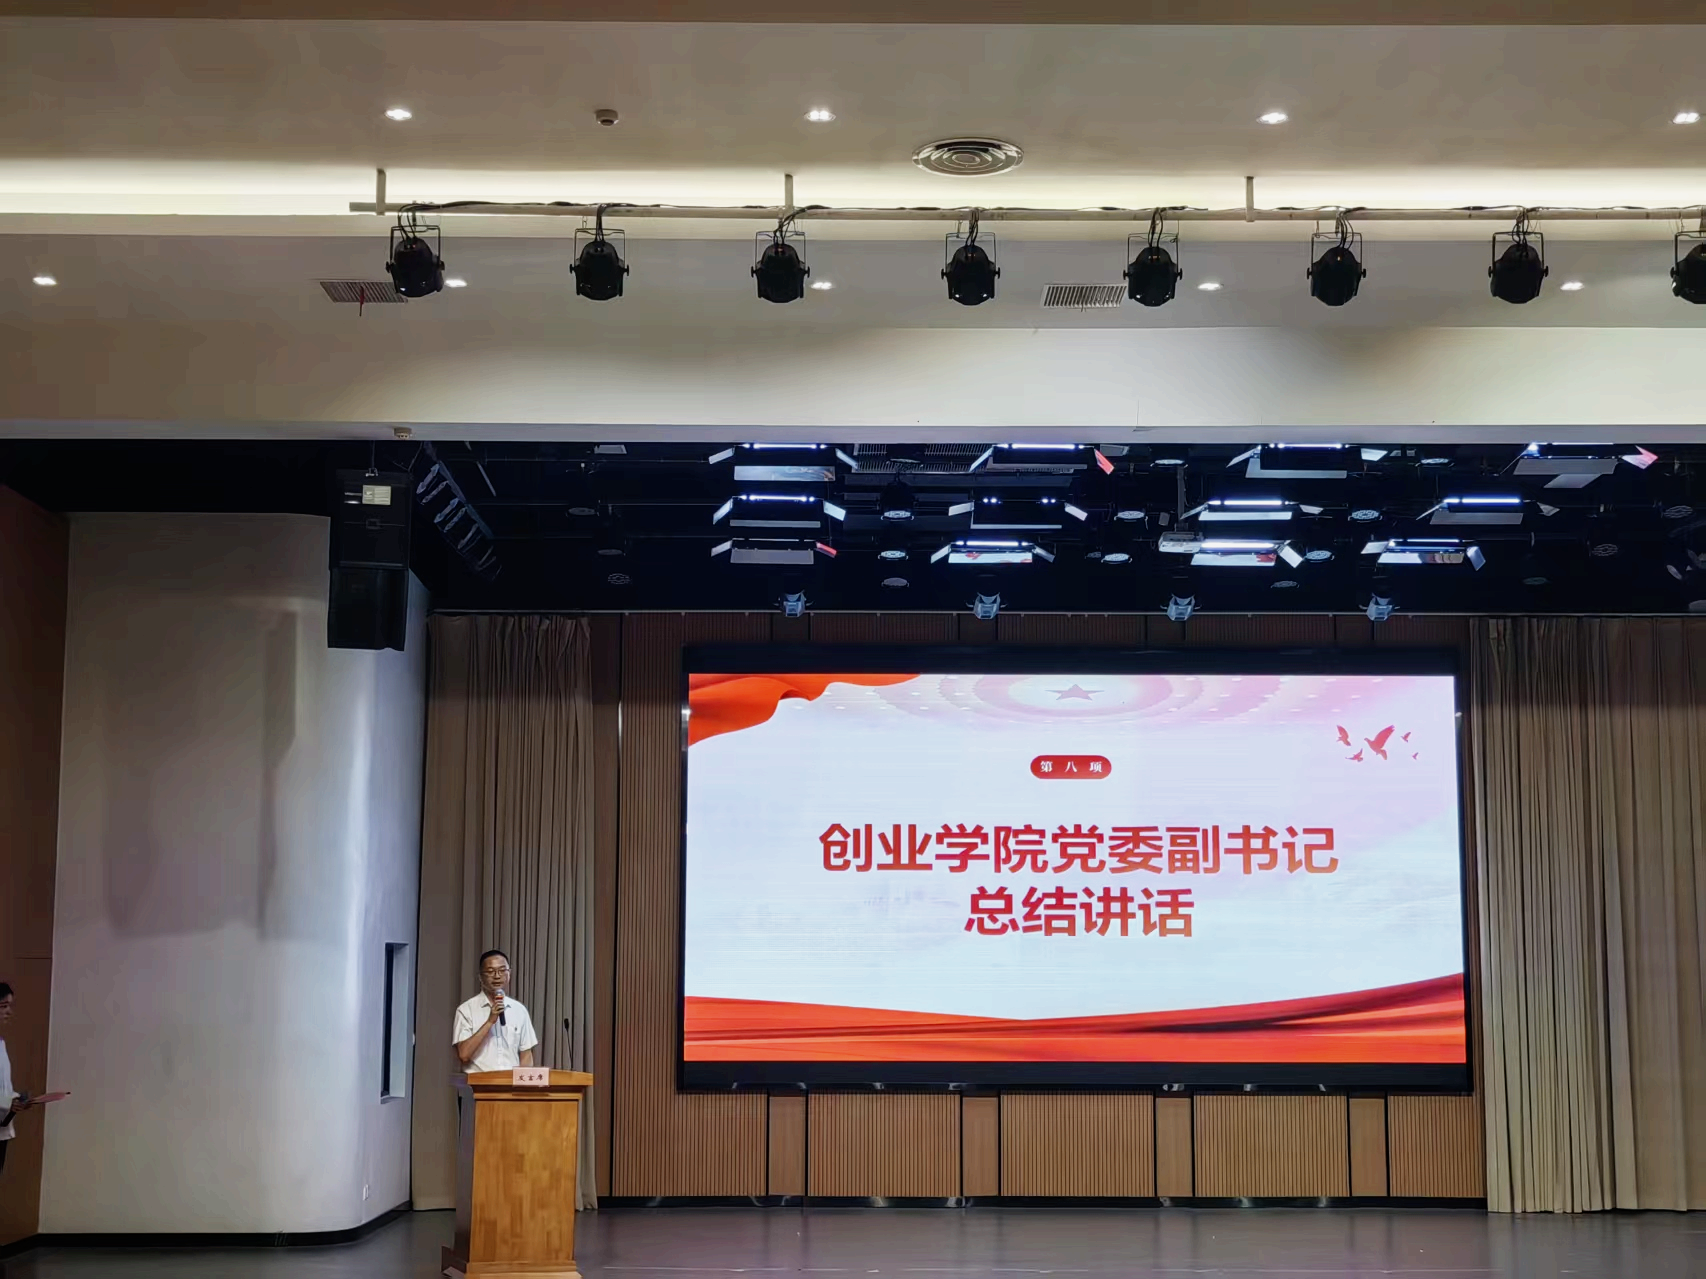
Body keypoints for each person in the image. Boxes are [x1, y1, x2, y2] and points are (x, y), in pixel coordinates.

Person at [453, 950, 539, 1073]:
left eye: (502, 970)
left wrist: (522, 1081)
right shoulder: (466, 1010)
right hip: (479, 1082)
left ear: (509, 974)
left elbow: (526, 1055)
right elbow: (463, 1054)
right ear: (480, 977)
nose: (497, 976)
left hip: (510, 1083)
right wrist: (489, 1022)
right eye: (490, 971)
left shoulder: (519, 1010)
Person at [0, 982, 35, 1176]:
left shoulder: (1, 1044)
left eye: (10, 1006)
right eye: (4, 1006)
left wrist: (17, 1099)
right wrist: (7, 1102)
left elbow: (3, 1088)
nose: (9, 1012)